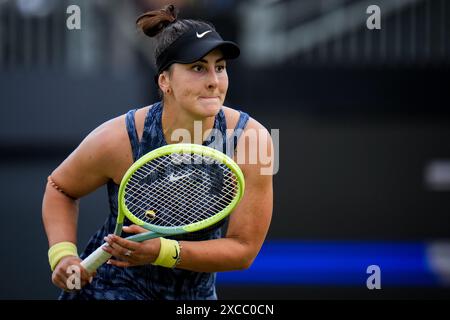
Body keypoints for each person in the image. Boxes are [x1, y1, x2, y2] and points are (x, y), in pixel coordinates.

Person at [42, 4, 273, 300]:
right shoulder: (119, 138)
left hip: (194, 298)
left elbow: (244, 250)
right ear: (165, 81)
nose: (214, 80)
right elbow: (59, 187)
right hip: (111, 290)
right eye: (198, 68)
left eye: (220, 67)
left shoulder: (251, 140)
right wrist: (63, 255)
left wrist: (163, 252)